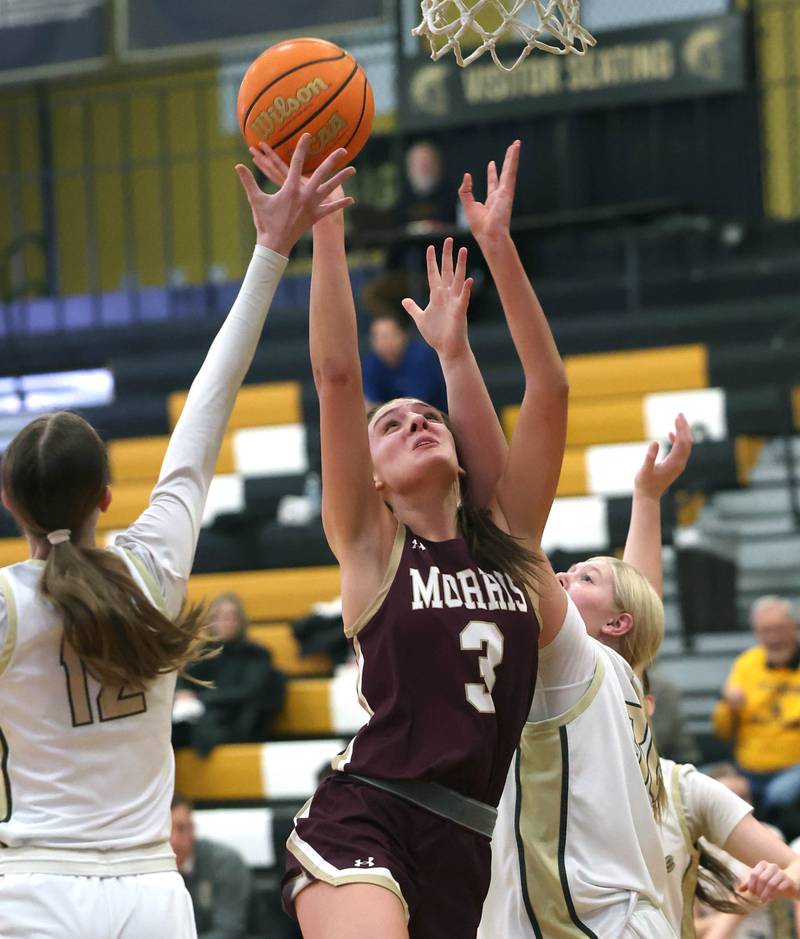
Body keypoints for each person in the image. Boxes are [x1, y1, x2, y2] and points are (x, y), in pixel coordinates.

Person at [0, 135, 354, 939]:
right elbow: (209, 401)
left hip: (32, 891)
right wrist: (270, 250)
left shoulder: (8, 604)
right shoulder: (151, 564)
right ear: (106, 496)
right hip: (151, 895)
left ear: (8, 500)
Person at [250, 138, 565, 939]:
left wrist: (496, 255)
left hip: (469, 836)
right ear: (376, 481)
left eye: (427, 415)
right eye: (392, 425)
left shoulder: (510, 543)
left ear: (461, 452)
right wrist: (325, 232)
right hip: (368, 813)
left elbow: (551, 389)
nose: (415, 419)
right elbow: (339, 378)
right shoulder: (371, 546)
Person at [647, 672, 800, 938]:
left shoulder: (767, 836)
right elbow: (686, 923)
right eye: (730, 800)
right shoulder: (692, 839)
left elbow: (792, 870)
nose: (739, 809)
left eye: (744, 801)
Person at [713, 596, 800, 826]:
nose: (772, 638)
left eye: (779, 629)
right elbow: (722, 731)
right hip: (748, 769)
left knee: (780, 794)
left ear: (794, 627)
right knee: (708, 785)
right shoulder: (747, 663)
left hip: (793, 767)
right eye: (765, 631)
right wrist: (729, 707)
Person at [173, 593, 286, 756]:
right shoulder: (204, 652)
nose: (226, 622)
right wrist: (181, 693)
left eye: (231, 617)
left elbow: (249, 690)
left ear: (241, 621)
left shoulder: (256, 653)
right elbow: (183, 678)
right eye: (220, 617)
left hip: (236, 719)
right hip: (202, 716)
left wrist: (200, 698)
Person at [171, 793, 259, 939]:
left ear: (192, 830)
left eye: (181, 828)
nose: (173, 840)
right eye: (167, 830)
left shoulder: (226, 863)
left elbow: (229, 932)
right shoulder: (154, 871)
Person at [361, 312, 447, 412]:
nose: (382, 342)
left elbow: (415, 405)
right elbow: (370, 405)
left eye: (386, 336)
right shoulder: (370, 362)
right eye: (376, 337)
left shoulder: (422, 357)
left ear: (402, 335)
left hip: (435, 418)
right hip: (394, 419)